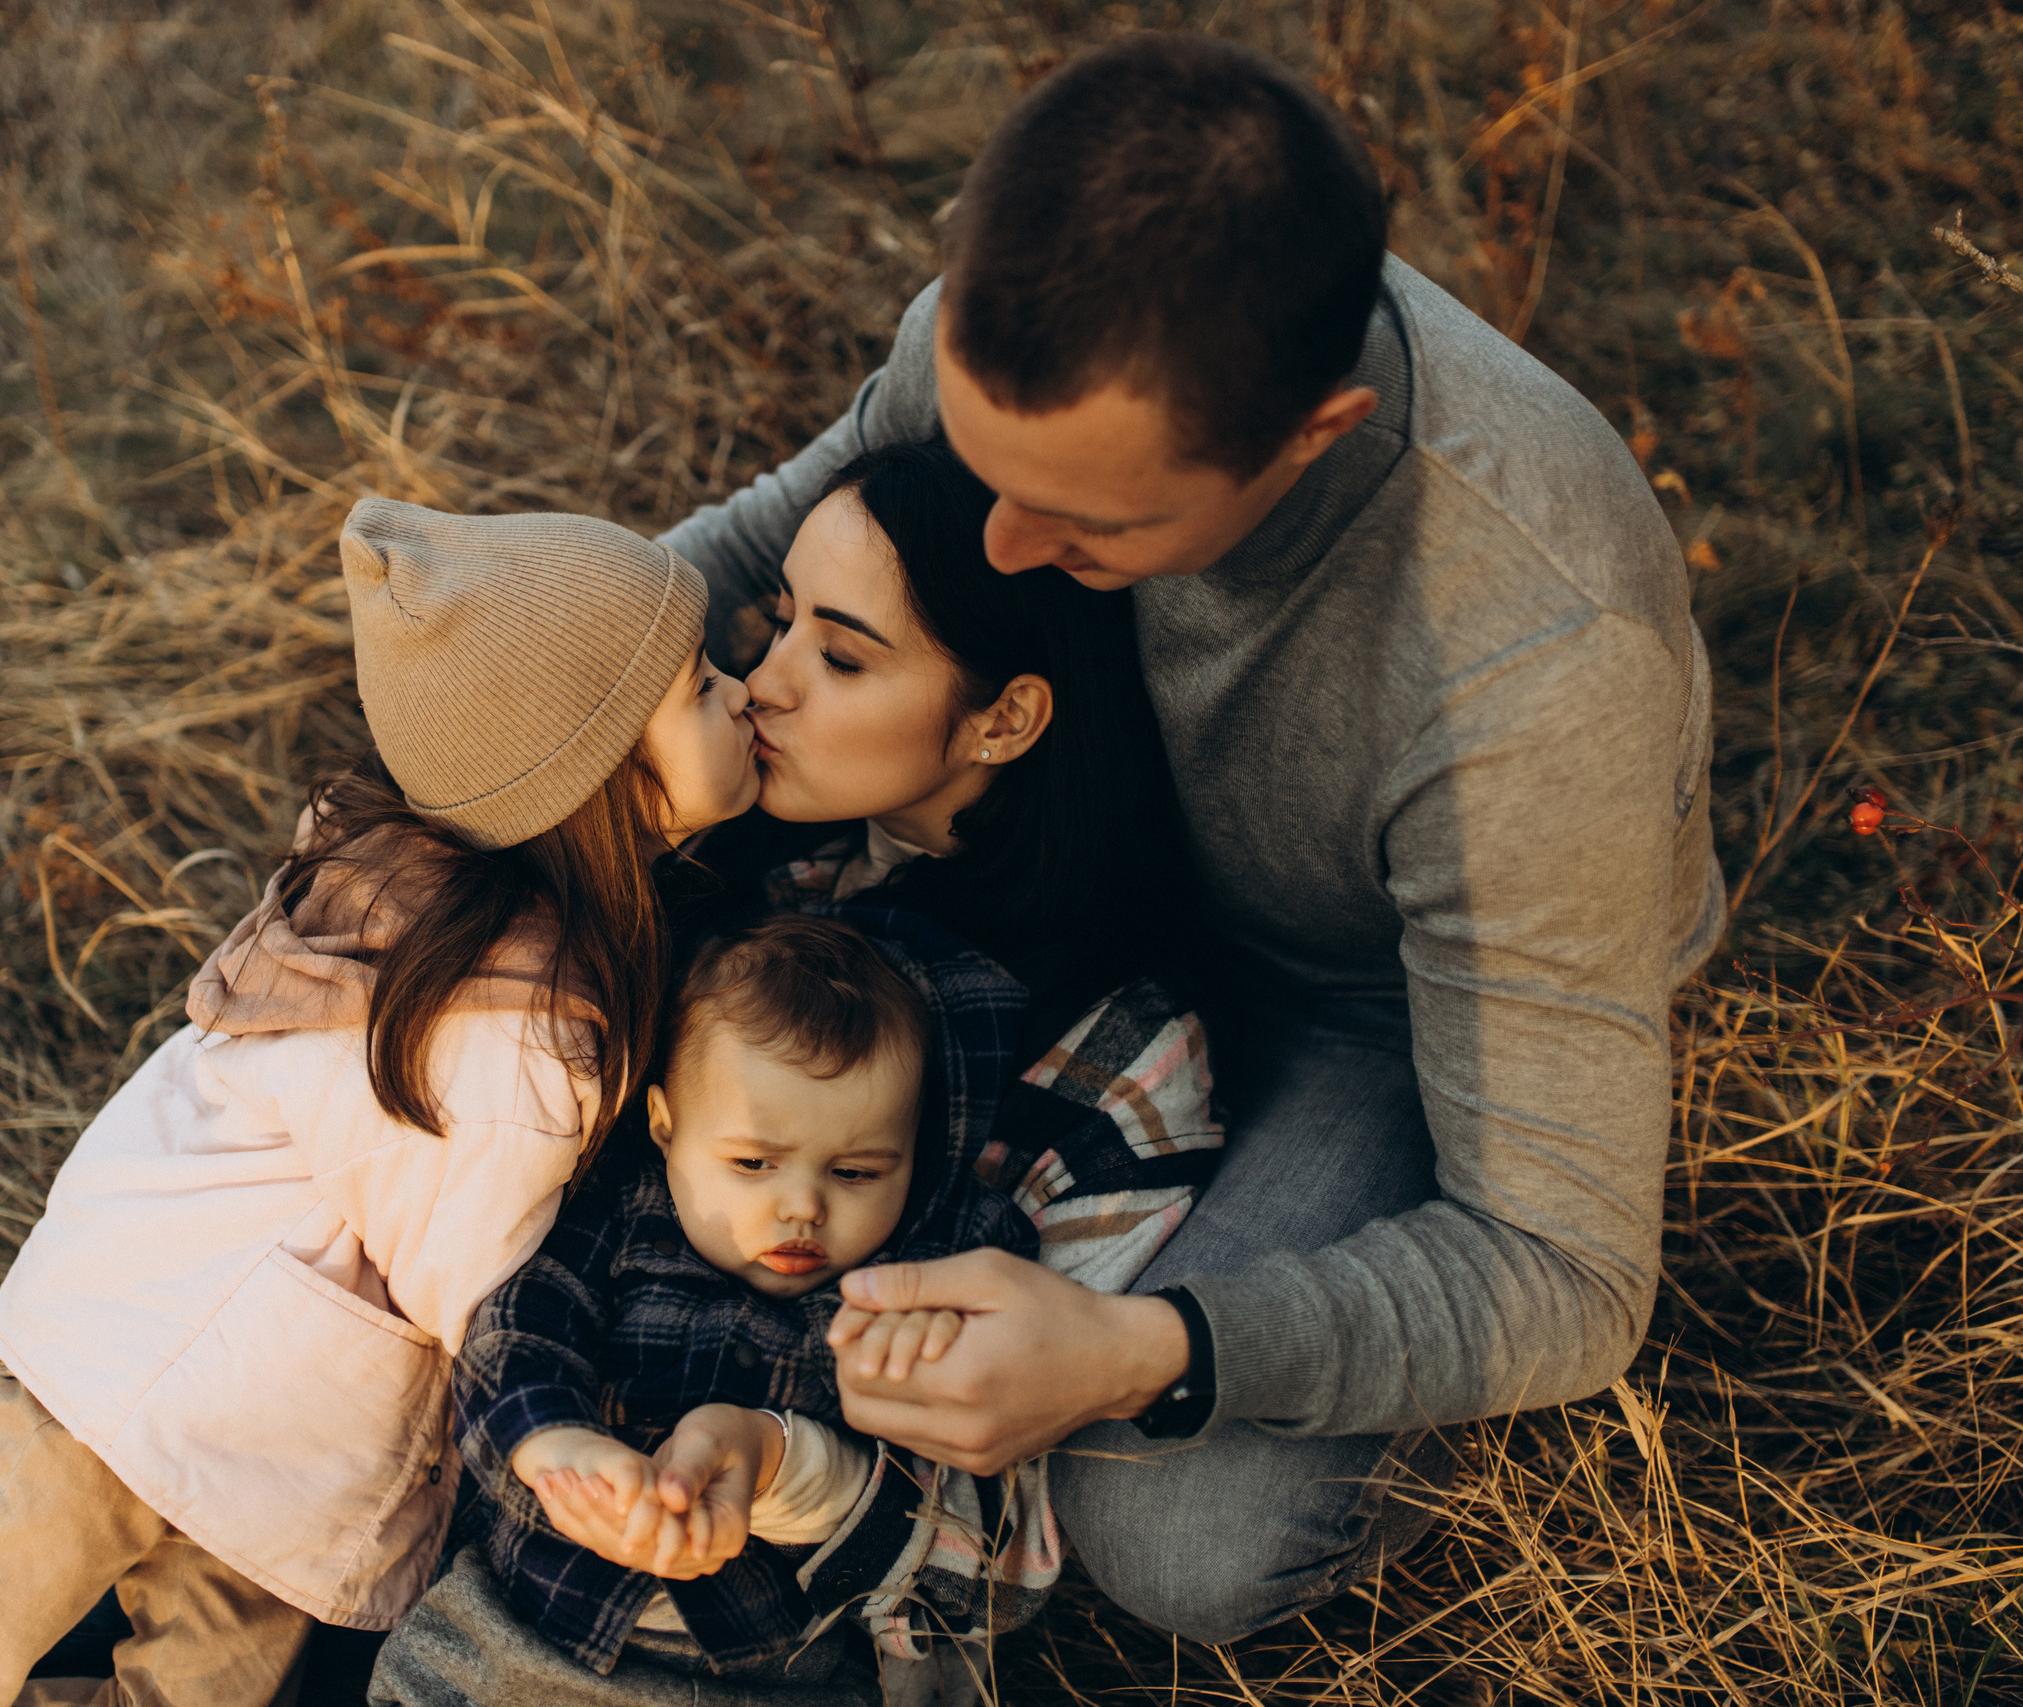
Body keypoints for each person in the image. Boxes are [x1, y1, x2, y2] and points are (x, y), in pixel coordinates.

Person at [658, 28, 1723, 1645]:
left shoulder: (1533, 653)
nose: (1005, 541)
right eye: (984, 468)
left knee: (1174, 1533)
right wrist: (524, 700)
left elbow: (1563, 1270)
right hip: (1079, 880)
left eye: (1089, 524)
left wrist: (1148, 1353)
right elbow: (747, 543)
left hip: (1383, 1003)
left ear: (1312, 432)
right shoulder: (1009, 341)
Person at [0, 498, 761, 1706]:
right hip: (135, 1394)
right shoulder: (510, 1028)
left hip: (264, 1446)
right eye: (704, 684)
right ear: (598, 770)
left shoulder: (453, 920)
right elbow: (475, 1288)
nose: (746, 689)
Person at [368, 911, 1042, 1707]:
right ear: (665, 1125)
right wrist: (558, 1450)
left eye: (857, 1172)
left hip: (769, 1670)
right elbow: (517, 1330)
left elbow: (971, 1531)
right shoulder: (618, 1216)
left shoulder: (923, 1284)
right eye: (753, 1163)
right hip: (526, 1624)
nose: (802, 1207)